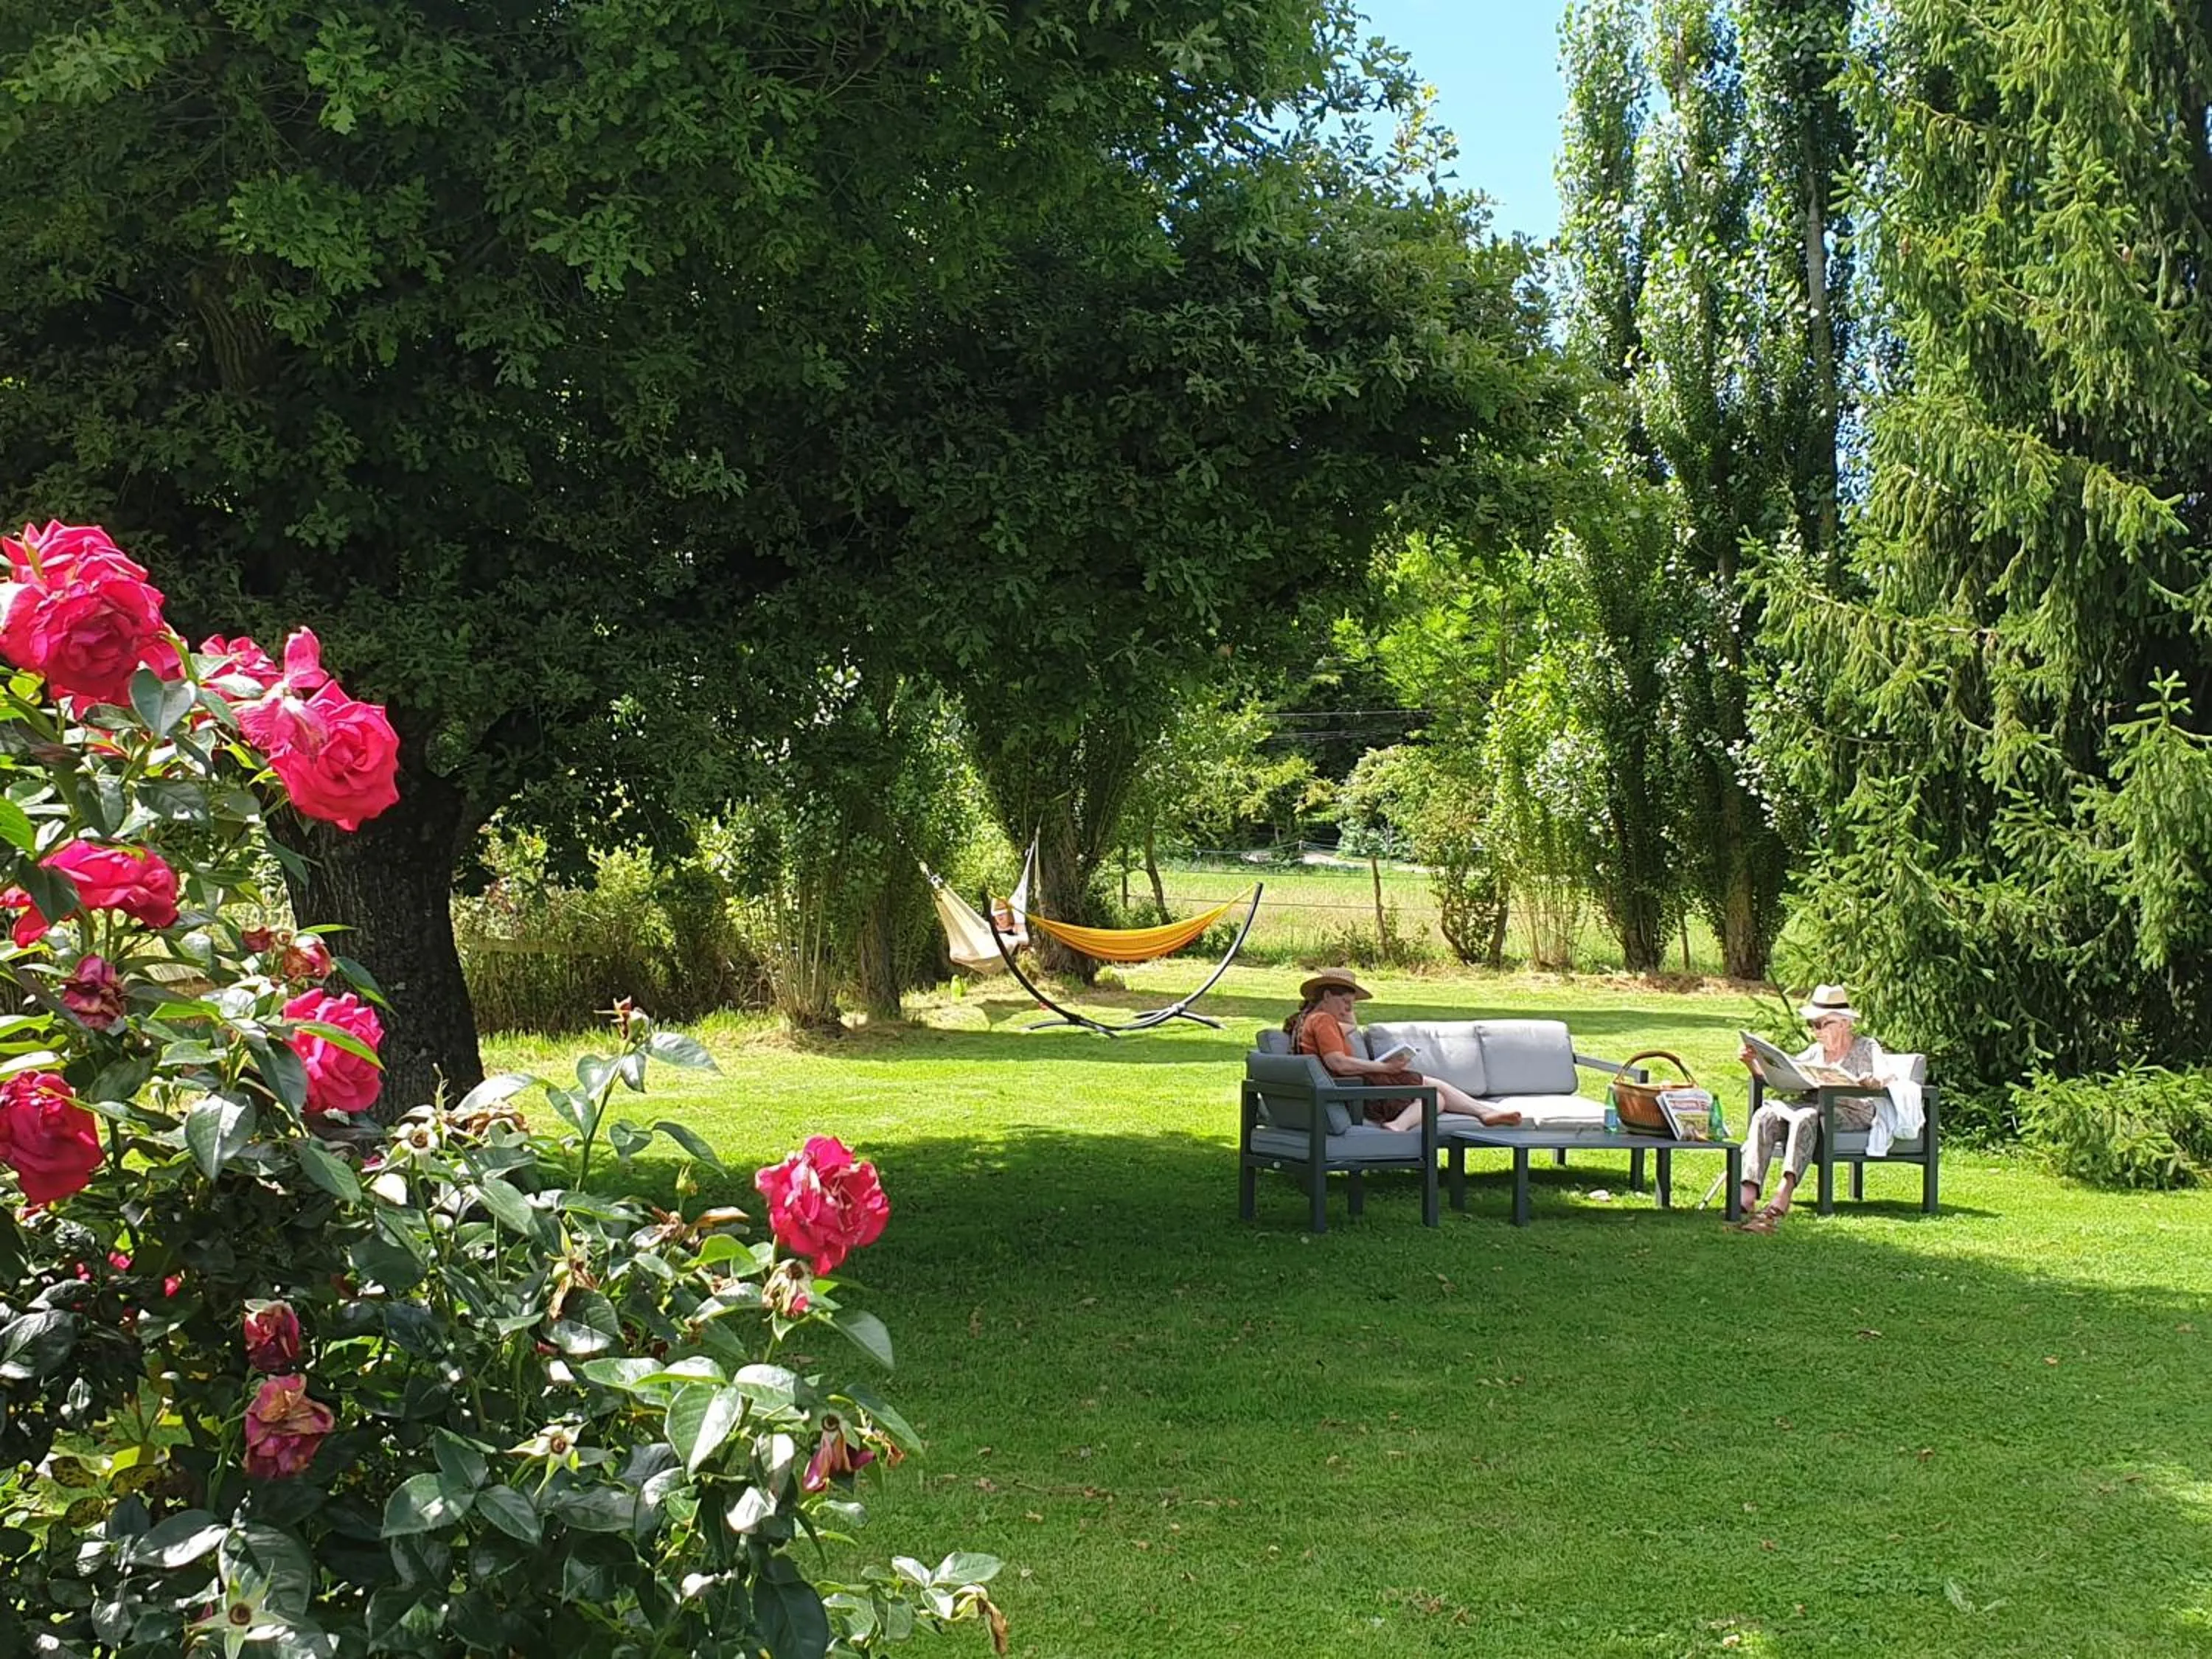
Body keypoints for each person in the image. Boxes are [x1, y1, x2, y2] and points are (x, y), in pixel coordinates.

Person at [1731, 984, 1888, 1233]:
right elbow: (1783, 1076)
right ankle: (1748, 1192)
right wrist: (1753, 1064)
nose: (1816, 1031)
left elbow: (1885, 1076)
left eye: (1822, 1024)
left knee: (1806, 1116)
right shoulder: (1816, 1051)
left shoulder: (1867, 1047)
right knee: (1766, 1115)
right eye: (1812, 1024)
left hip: (1851, 1112)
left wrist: (1870, 1081)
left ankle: (1785, 1191)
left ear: (1845, 1024)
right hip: (1813, 1108)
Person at [1284, 968, 1521, 1132]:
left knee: (1435, 1094)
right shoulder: (1323, 1020)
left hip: (1345, 1087)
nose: (1348, 1008)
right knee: (1434, 1096)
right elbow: (1338, 1063)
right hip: (1354, 1089)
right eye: (1345, 1001)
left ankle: (1483, 1113)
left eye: (1352, 1004)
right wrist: (1383, 1067)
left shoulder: (1307, 1020)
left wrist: (1347, 1007)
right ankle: (1402, 1125)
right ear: (1326, 996)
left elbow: (1350, 1028)